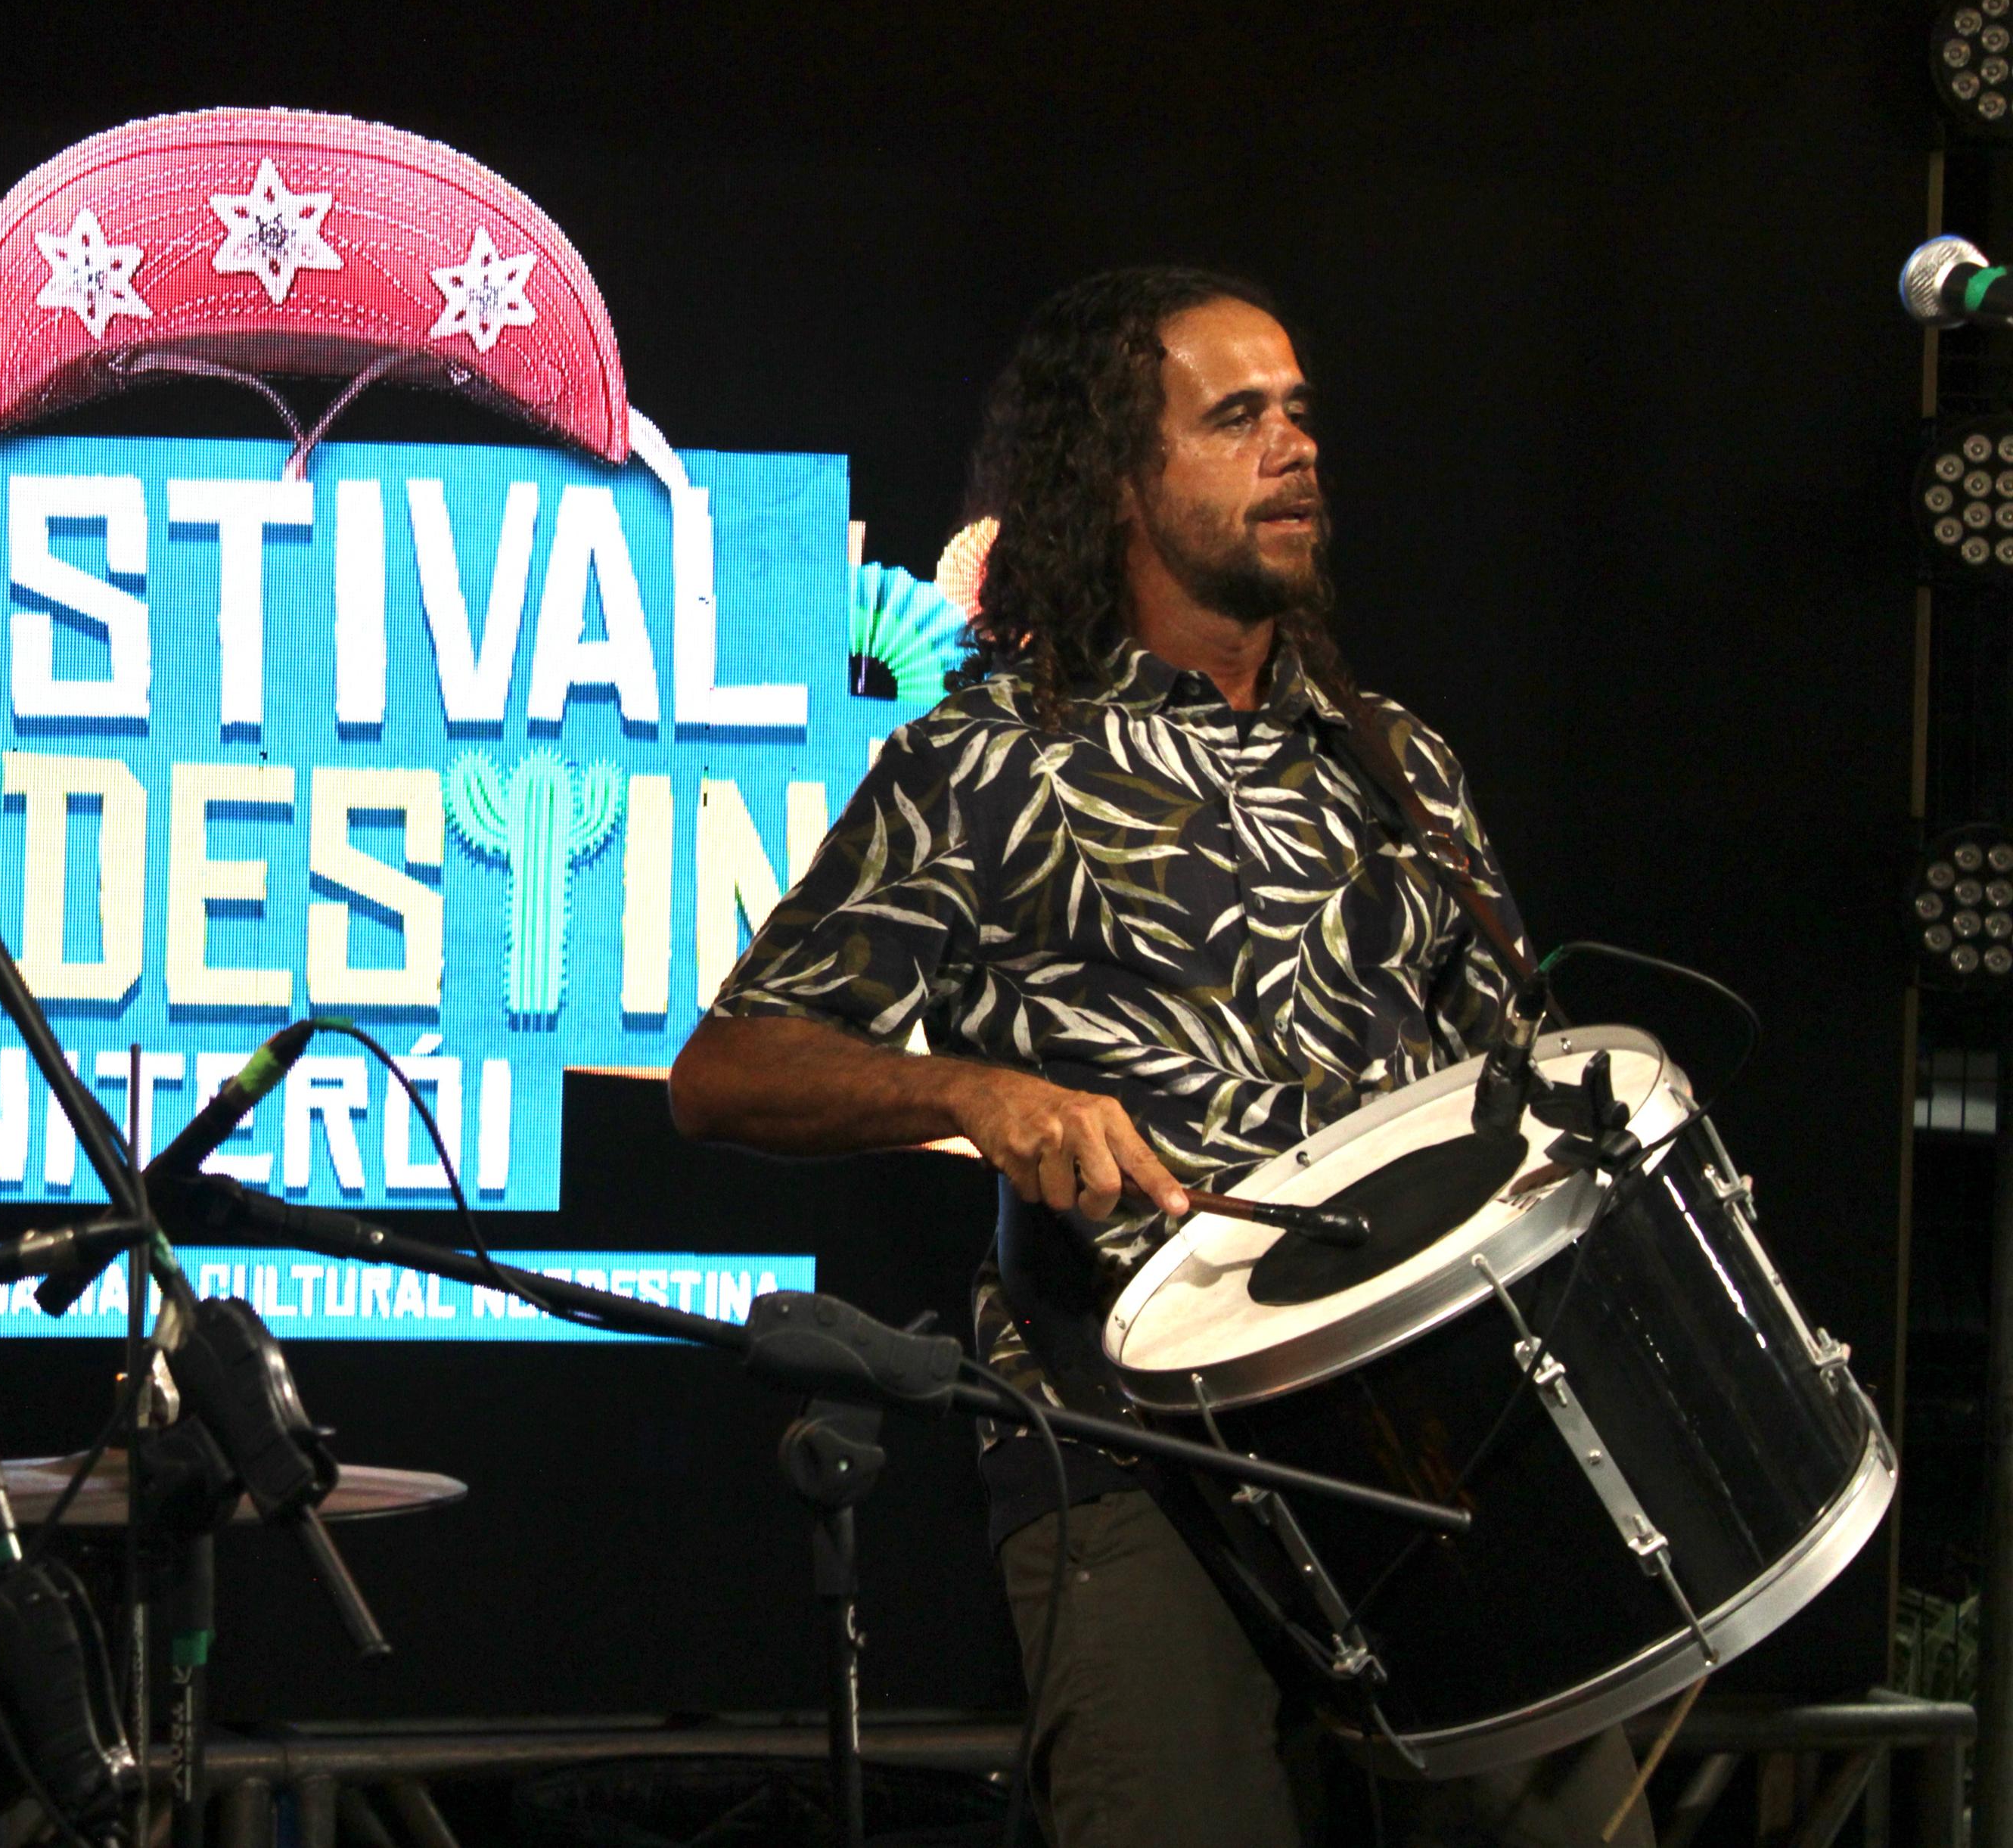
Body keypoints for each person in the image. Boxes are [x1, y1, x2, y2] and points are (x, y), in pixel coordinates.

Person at [669, 267, 1648, 1848]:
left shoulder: (1399, 764)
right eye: (1236, 417)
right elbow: (724, 1069)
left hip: (1424, 1453)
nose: (1294, 446)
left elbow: (1515, 1101)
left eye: (1299, 412)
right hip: (1132, 1456)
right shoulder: (988, 758)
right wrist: (972, 1089)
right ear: (1118, 475)